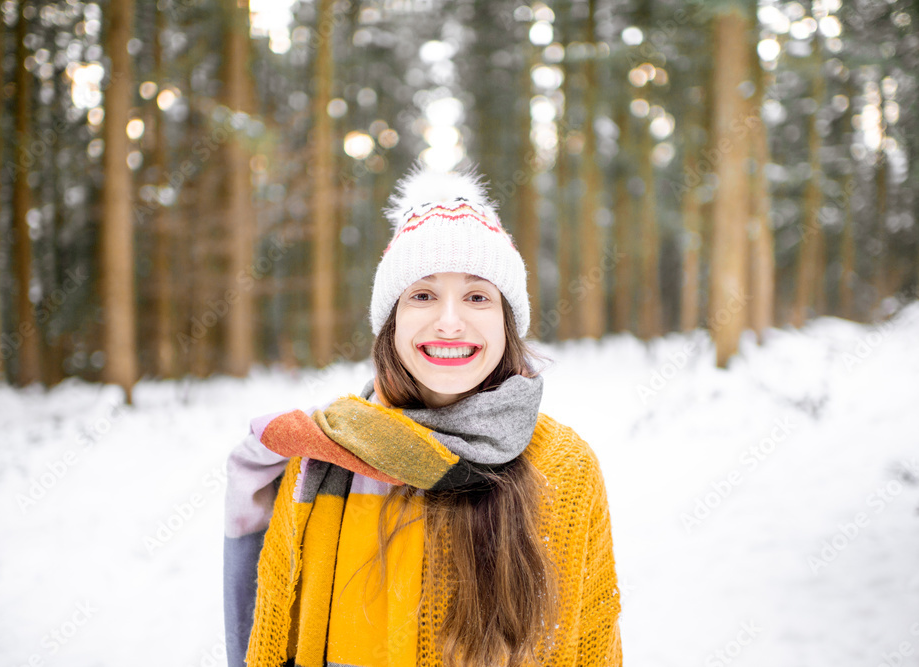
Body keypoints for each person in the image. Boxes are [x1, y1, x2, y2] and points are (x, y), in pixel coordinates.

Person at [223, 165, 622, 667]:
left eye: (477, 296)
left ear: (506, 322)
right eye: (423, 295)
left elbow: (591, 644)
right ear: (392, 323)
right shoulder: (322, 454)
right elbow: (274, 638)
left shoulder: (565, 467)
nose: (450, 322)